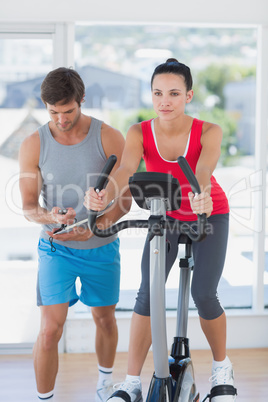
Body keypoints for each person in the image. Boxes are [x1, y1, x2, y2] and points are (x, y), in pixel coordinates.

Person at [84, 59, 237, 401]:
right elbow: (124, 169)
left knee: (204, 294)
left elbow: (204, 167)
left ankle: (221, 369)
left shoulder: (210, 130)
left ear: (188, 96)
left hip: (207, 212)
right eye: (157, 93)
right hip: (164, 215)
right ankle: (131, 381)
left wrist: (200, 195)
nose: (164, 101)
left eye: (173, 93)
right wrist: (104, 195)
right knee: (147, 294)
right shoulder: (139, 132)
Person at [19, 67, 131, 401]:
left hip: (102, 247)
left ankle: (105, 384)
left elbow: (126, 199)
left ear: (81, 101)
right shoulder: (33, 143)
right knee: (50, 329)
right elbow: (28, 206)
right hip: (56, 248)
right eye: (53, 112)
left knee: (105, 320)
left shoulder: (109, 137)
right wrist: (48, 215)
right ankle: (45, 398)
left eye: (68, 111)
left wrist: (96, 225)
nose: (61, 119)